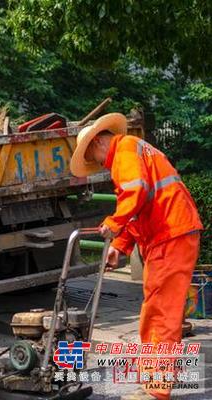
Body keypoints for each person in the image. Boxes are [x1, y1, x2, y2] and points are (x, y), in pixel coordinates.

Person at [70, 113, 203, 400]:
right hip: (171, 234)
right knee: (160, 310)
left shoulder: (125, 150)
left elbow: (135, 193)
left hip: (170, 235)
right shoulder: (135, 149)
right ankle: (158, 381)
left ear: (97, 142)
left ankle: (156, 389)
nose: (100, 165)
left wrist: (113, 223)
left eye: (95, 157)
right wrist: (119, 246)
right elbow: (139, 205)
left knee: (160, 313)